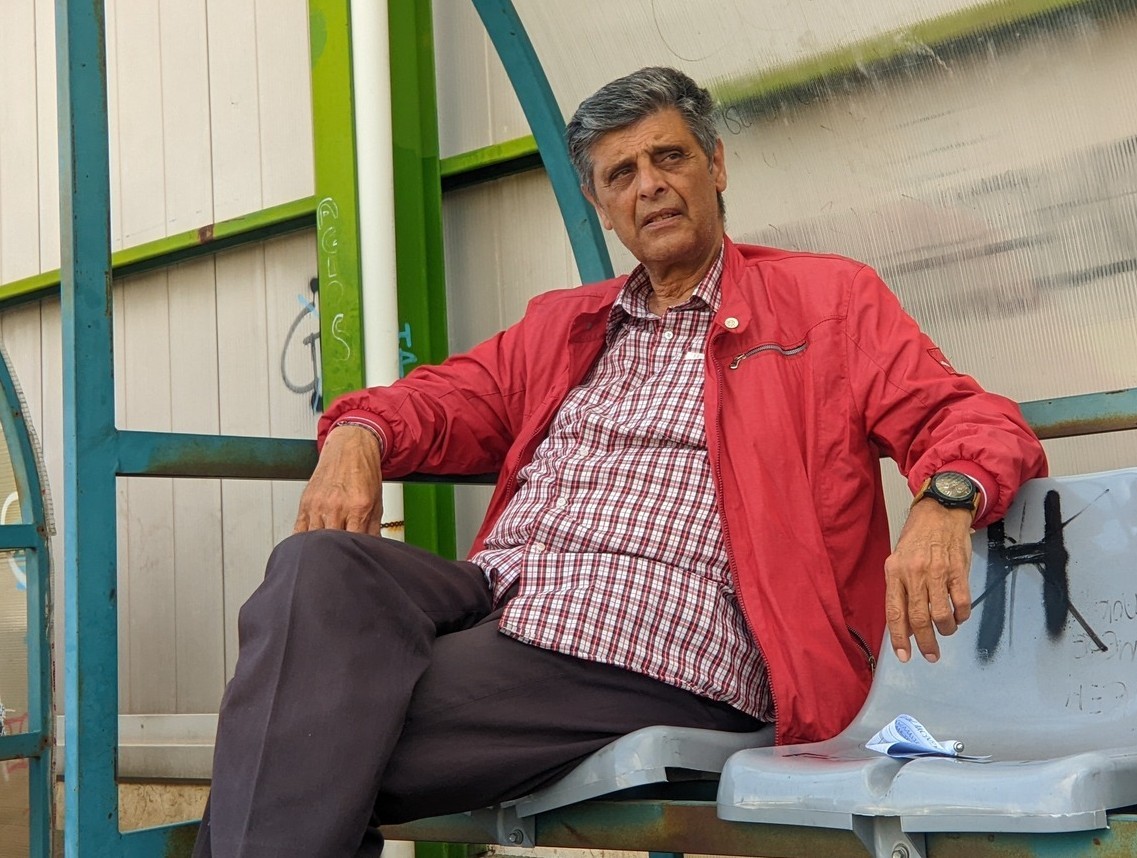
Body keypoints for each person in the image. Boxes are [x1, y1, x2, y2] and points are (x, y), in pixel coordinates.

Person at [193, 66, 1047, 858]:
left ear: (715, 165)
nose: (649, 185)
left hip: (657, 636)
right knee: (318, 566)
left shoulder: (824, 303)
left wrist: (944, 498)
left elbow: (969, 418)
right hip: (502, 603)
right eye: (621, 173)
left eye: (669, 157)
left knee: (301, 736)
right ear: (600, 204)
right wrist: (356, 436)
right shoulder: (562, 326)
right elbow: (439, 400)